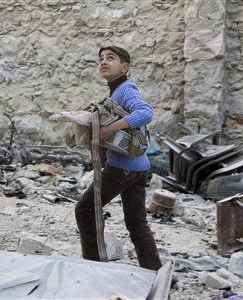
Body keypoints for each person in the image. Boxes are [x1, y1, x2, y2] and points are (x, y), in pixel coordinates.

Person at [75, 46, 162, 271]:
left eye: (110, 58)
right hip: (138, 168)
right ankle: (154, 272)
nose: (103, 61)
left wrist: (110, 128)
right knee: (137, 223)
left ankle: (94, 267)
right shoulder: (115, 93)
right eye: (101, 58)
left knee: (85, 210)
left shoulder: (126, 88)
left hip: (123, 168)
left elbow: (145, 112)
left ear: (125, 67)